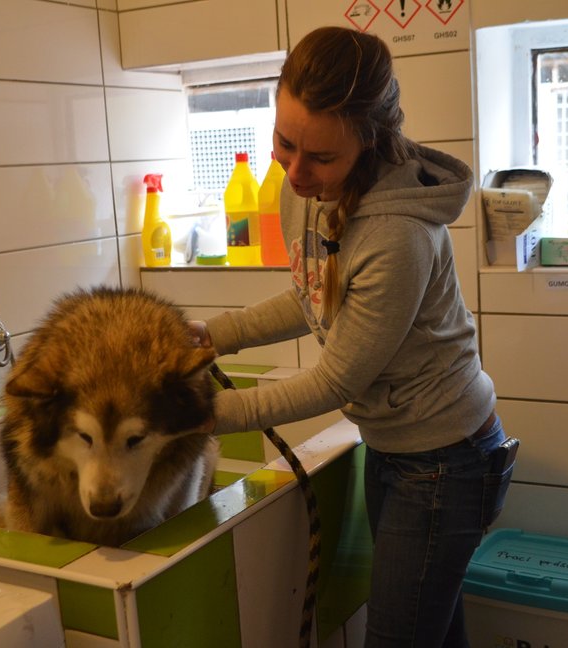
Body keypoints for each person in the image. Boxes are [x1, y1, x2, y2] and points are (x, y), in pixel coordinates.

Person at [190, 25, 508, 648]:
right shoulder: (304, 189)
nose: (297, 172)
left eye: (322, 158)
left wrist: (203, 414)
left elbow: (338, 378)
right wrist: (216, 335)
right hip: (394, 446)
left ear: (370, 142)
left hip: (447, 461)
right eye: (285, 143)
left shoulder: (398, 237)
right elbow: (316, 293)